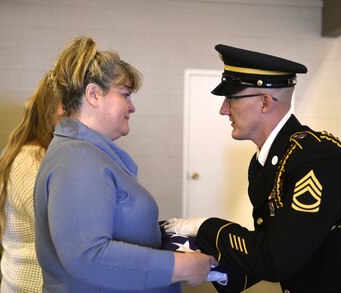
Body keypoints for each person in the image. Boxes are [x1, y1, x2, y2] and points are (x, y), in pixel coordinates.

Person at [164, 44, 341, 292]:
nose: (223, 110)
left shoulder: (317, 158)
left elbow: (277, 258)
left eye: (231, 99)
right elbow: (271, 247)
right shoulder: (268, 161)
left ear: (265, 103)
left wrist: (204, 227)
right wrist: (216, 269)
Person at [33, 36, 215, 293]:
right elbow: (87, 256)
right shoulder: (76, 159)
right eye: (125, 95)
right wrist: (180, 266)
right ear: (94, 94)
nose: (132, 107)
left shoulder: (87, 154)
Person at [0, 72, 62, 292]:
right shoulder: (33, 162)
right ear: (53, 112)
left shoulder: (27, 155)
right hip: (32, 285)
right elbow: (59, 234)